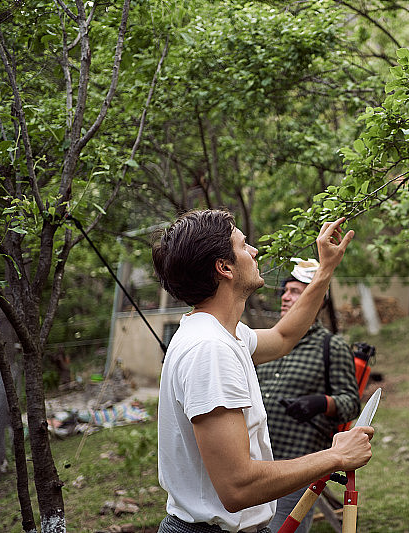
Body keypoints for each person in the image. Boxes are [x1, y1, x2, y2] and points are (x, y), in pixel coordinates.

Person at [151, 210, 373, 533]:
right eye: (243, 245)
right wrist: (335, 456)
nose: (254, 251)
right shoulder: (209, 349)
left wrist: (325, 269)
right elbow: (237, 487)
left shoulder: (226, 334)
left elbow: (284, 337)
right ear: (224, 267)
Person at [257, 258, 361, 533]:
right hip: (255, 464)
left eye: (295, 292)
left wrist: (320, 403)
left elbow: (351, 403)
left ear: (316, 301)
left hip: (298, 465)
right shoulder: (266, 342)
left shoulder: (331, 346)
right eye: (285, 291)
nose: (285, 297)